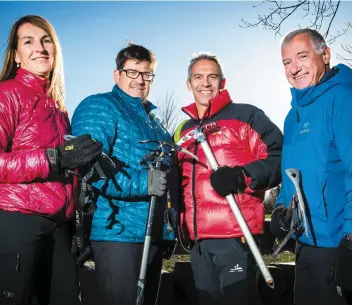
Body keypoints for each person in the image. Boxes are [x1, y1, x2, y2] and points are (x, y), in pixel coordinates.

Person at [0, 15, 103, 305]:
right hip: (17, 220)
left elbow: (65, 170)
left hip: (58, 225)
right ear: (17, 56)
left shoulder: (59, 108)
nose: (40, 48)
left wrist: (77, 223)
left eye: (46, 41)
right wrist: (53, 158)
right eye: (28, 42)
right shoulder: (6, 94)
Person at [173, 52, 283, 305]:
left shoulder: (247, 116)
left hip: (235, 235)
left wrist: (243, 175)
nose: (205, 83)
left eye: (213, 77)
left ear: (223, 82)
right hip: (198, 240)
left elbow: (278, 156)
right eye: (198, 77)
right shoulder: (184, 130)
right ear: (189, 84)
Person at [71, 43, 176, 305]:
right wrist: (144, 183)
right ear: (117, 74)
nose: (140, 80)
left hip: (152, 233)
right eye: (132, 72)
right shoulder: (100, 106)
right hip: (117, 233)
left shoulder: (155, 123)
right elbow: (91, 167)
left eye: (146, 73)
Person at [270, 29, 352, 305]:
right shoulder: (292, 117)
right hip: (306, 246)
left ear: (325, 54)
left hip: (338, 245)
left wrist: (351, 242)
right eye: (286, 62)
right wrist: (282, 210)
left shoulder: (344, 97)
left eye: (302, 56)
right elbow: (290, 176)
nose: (294, 69)